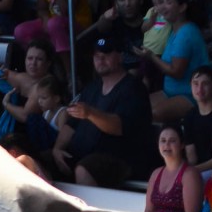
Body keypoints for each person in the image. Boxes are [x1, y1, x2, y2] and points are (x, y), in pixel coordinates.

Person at [51, 27, 154, 186]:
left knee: (84, 169)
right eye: (97, 55)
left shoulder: (133, 88)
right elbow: (71, 125)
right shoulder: (92, 87)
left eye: (106, 54)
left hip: (119, 159)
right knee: (33, 159)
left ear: (120, 57)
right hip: (81, 154)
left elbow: (119, 126)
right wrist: (57, 149)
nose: (100, 59)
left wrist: (90, 113)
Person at [136, 0, 208, 119]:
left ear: (182, 7)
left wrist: (151, 56)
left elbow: (176, 72)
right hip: (170, 92)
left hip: (189, 95)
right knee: (134, 106)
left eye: (168, 2)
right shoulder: (175, 30)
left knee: (150, 114)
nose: (162, 7)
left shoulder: (186, 33)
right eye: (162, 2)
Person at [144, 122, 204, 212]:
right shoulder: (156, 173)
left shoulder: (189, 175)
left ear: (182, 145)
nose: (167, 144)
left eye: (172, 141)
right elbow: (148, 211)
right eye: (163, 141)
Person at [96, 0, 145, 68]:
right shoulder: (113, 22)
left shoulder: (151, 20)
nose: (127, 3)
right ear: (116, 3)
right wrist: (105, 18)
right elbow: (101, 28)